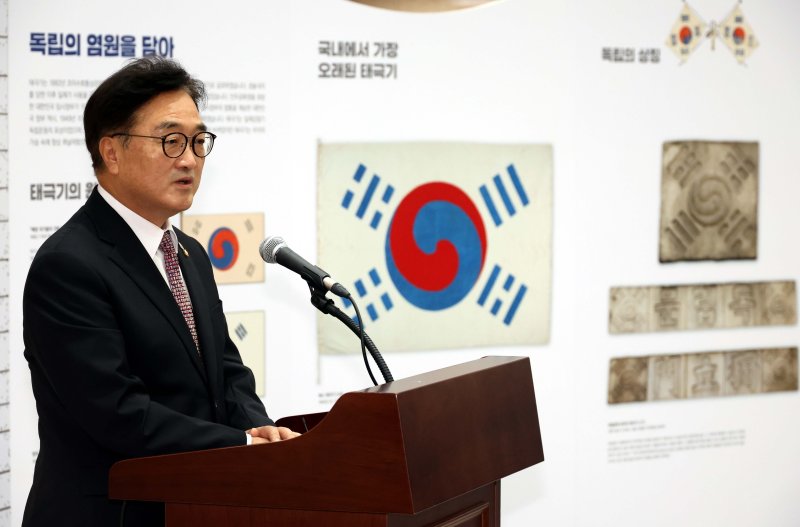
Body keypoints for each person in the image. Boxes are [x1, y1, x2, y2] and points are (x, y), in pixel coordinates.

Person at [22, 57, 298, 526]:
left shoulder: (189, 253)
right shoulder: (69, 265)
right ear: (112, 152)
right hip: (111, 514)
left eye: (198, 141)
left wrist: (258, 427)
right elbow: (117, 413)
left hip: (193, 505)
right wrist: (241, 445)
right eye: (170, 141)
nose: (189, 159)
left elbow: (226, 370)